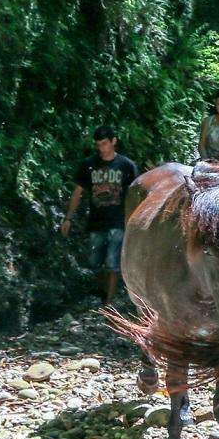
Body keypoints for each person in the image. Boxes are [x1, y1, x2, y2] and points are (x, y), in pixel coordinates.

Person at [62, 126, 139, 306]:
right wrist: (68, 218)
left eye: (105, 144)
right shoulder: (89, 165)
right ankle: (104, 292)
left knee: (112, 262)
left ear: (113, 141)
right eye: (98, 145)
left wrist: (134, 222)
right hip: (96, 221)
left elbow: (135, 194)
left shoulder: (127, 165)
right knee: (94, 262)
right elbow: (78, 192)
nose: (102, 148)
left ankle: (108, 303)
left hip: (118, 221)